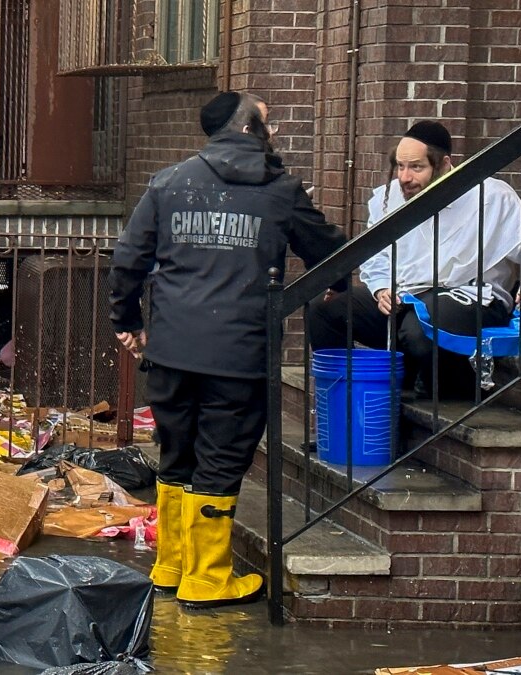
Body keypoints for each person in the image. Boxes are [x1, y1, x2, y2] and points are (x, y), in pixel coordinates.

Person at [108, 91, 346, 609]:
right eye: (268, 121)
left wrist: (128, 322)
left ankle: (171, 566)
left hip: (171, 350)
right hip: (240, 353)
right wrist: (338, 283)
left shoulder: (168, 183)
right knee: (220, 460)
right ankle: (208, 578)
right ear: (247, 127)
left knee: (176, 456)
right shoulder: (281, 190)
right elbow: (331, 251)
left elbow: (127, 260)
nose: (275, 132)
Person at [308, 121, 521, 399]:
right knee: (325, 311)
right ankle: (344, 403)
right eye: (400, 166)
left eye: (416, 167)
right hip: (404, 297)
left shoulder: (492, 196)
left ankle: (446, 389)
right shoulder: (390, 195)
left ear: (444, 164)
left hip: (472, 297)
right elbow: (375, 253)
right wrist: (381, 287)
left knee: (419, 327)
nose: (405, 177)